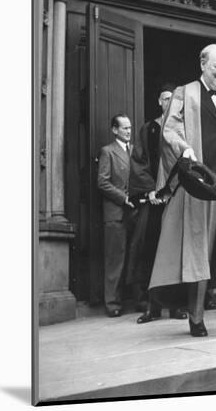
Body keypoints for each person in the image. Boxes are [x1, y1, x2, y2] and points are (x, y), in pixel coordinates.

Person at [149, 44, 216, 337]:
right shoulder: (185, 93)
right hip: (202, 184)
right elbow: (169, 130)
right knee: (198, 252)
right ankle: (196, 318)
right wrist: (184, 148)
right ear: (202, 65)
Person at [127, 84, 188, 323]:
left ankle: (176, 307)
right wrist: (152, 190)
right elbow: (139, 162)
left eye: (172, 99)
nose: (168, 102)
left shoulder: (183, 130)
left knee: (176, 253)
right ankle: (152, 308)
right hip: (155, 202)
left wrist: (173, 189)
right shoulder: (148, 129)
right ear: (159, 102)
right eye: (165, 99)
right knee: (152, 253)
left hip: (176, 197)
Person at [97, 114, 135, 317]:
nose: (128, 131)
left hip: (134, 213)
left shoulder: (134, 150)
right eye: (124, 128)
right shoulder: (107, 152)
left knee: (133, 258)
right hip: (116, 213)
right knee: (115, 260)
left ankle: (134, 300)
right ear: (114, 130)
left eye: (129, 128)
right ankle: (112, 304)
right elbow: (102, 182)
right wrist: (123, 197)